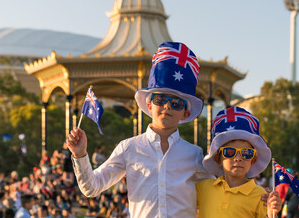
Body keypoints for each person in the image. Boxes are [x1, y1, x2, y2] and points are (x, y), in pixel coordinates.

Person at [67, 42, 213, 218]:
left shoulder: (194, 155)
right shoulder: (129, 148)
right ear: (149, 105)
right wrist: (80, 154)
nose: (167, 106)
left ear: (185, 113)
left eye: (176, 103)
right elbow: (91, 187)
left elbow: (219, 195)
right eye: (160, 99)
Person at [197, 106, 282, 218]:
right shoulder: (203, 188)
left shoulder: (261, 196)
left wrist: (272, 213)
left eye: (246, 153)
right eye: (230, 152)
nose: (238, 158)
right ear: (218, 159)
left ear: (253, 160)